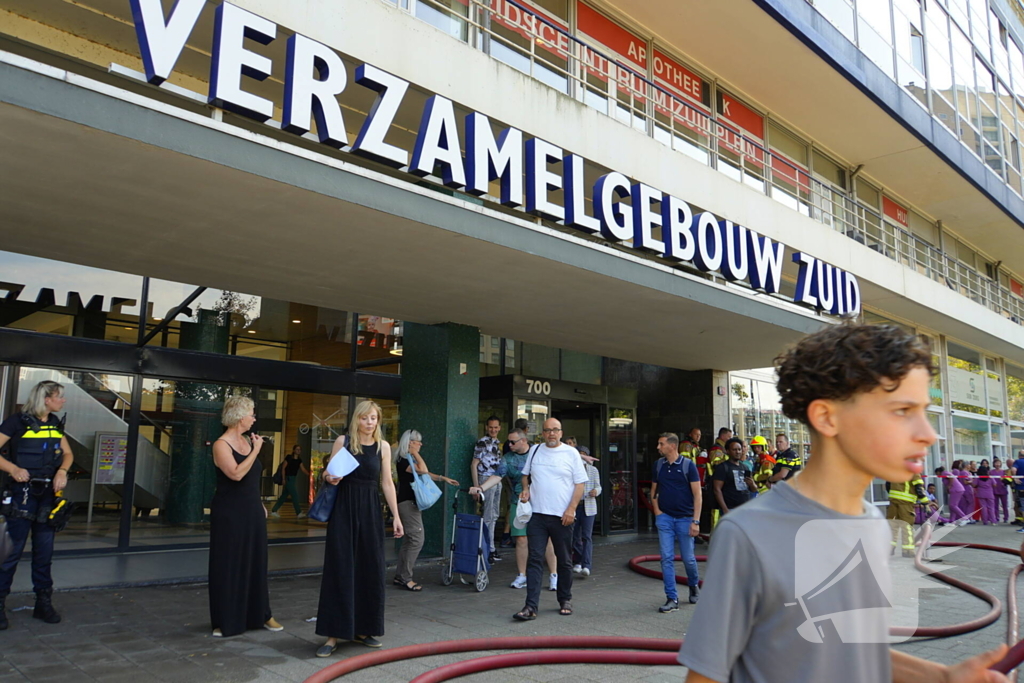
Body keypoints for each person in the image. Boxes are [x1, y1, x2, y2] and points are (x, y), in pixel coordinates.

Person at [678, 323, 1009, 683]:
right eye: (902, 410)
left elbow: (851, 647)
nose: (928, 434)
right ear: (827, 417)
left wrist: (944, 676)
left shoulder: (873, 525)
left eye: (924, 412)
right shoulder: (748, 534)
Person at [315, 400, 404, 656]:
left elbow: (387, 483)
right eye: (365, 418)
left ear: (378, 420)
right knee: (340, 567)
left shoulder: (383, 446)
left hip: (370, 511)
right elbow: (327, 473)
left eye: (373, 418)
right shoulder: (343, 442)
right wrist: (329, 477)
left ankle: (364, 629)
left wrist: (396, 516)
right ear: (357, 419)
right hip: (344, 509)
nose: (369, 422)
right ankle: (333, 635)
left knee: (369, 568)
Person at [0, 380, 73, 630]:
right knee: (10, 553)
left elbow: (68, 453)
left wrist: (62, 471)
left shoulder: (54, 422)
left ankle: (43, 603)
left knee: (44, 553)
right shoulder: (16, 422)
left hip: (47, 497)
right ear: (46, 399)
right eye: (59, 396)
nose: (63, 400)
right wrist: (13, 469)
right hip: (21, 495)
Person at [208, 396, 282, 637]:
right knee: (229, 563)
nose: (254, 418)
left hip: (251, 509)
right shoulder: (221, 444)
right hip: (229, 512)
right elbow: (236, 474)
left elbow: (251, 479)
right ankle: (226, 619)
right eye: (251, 414)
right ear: (240, 417)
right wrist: (257, 450)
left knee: (256, 561)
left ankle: (262, 614)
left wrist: (259, 502)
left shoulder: (247, 441)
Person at [513, 418, 587, 621]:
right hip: (537, 514)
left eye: (555, 430)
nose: (551, 434)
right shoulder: (535, 450)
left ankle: (565, 599)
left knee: (564, 560)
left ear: (561, 432)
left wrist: (571, 509)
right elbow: (525, 476)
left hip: (562, 516)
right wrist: (526, 490)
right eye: (547, 430)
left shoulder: (571, 453)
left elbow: (580, 484)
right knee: (535, 559)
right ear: (543, 433)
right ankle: (530, 606)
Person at [471, 429, 559, 590]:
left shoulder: (537, 452)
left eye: (513, 442)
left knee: (547, 539)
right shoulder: (508, 458)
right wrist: (481, 488)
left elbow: (559, 454)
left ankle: (554, 575)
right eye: (508, 441)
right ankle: (522, 575)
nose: (509, 444)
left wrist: (582, 457)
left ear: (523, 440)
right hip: (518, 501)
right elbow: (497, 475)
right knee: (521, 539)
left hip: (541, 501)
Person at [392, 430, 458, 592]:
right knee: (417, 540)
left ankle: (400, 575)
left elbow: (425, 473)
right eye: (417, 441)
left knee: (410, 540)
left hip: (411, 503)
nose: (420, 444)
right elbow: (422, 468)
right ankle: (405, 578)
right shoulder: (403, 459)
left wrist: (442, 478)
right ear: (410, 442)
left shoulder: (407, 459)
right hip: (407, 503)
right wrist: (414, 452)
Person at [651, 433, 702, 613]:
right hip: (665, 518)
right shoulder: (659, 465)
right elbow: (653, 491)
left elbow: (697, 495)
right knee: (666, 558)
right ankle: (672, 598)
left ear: (672, 446)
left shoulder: (688, 465)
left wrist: (695, 521)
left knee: (688, 559)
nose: (658, 447)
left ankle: (693, 585)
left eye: (661, 444)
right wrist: (658, 512)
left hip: (685, 519)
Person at [472, 415, 503, 563]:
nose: (493, 430)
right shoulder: (482, 442)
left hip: (496, 480)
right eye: (491, 427)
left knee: (494, 514)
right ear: (486, 427)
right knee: (488, 516)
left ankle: (490, 548)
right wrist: (477, 487)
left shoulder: (497, 443)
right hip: (485, 479)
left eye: (496, 427)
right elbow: (474, 464)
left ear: (499, 428)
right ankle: (487, 549)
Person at [572, 445, 602, 577]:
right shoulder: (572, 469)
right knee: (574, 536)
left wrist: (596, 491)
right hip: (575, 506)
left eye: (584, 454)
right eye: (580, 454)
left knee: (586, 536)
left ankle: (586, 565)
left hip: (589, 506)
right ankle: (578, 560)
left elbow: (598, 486)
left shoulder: (593, 470)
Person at [885, 474, 929, 557]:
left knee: (892, 526)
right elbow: (919, 489)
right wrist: (925, 502)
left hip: (893, 502)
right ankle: (907, 551)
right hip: (906, 504)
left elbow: (888, 484)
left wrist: (894, 496)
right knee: (907, 527)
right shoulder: (913, 472)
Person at [712, 438, 753, 516]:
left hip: (745, 509)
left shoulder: (745, 467)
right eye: (734, 450)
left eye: (739, 449)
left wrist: (752, 484)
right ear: (727, 451)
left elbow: (753, 489)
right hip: (730, 509)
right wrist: (725, 509)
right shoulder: (723, 467)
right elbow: (717, 489)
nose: (737, 452)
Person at [271, 445, 310, 519]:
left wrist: (309, 475)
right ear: (294, 450)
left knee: (284, 496)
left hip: (293, 478)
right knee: (294, 495)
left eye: (299, 449)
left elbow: (303, 469)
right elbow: (283, 468)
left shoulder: (299, 460)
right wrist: (283, 479)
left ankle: (274, 510)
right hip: (288, 478)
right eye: (297, 449)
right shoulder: (289, 457)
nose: (298, 451)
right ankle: (298, 512)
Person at [992, 458, 1010, 524]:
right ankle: (997, 517)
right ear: (994, 464)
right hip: (994, 490)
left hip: (1003, 490)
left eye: (999, 463)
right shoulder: (991, 472)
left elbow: (1008, 480)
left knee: (1005, 505)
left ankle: (1006, 518)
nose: (997, 464)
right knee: (995, 505)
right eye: (996, 463)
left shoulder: (1004, 472)